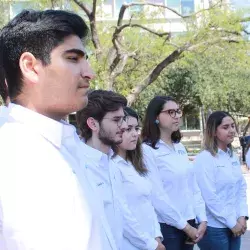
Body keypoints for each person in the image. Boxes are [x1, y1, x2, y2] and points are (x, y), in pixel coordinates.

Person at [0, 9, 107, 250]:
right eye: (72, 58)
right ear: (31, 66)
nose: (89, 73)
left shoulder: (65, 146)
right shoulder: (15, 156)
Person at [76, 90, 165, 250]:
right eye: (117, 120)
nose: (124, 126)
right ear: (93, 124)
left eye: (123, 119)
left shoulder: (111, 165)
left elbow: (123, 215)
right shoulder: (77, 166)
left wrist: (153, 241)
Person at [141, 96, 207, 250]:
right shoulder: (147, 150)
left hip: (190, 221)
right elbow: (157, 196)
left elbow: (193, 186)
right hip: (168, 227)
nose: (177, 116)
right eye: (170, 112)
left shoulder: (179, 147)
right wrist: (185, 227)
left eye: (178, 111)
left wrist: (202, 218)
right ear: (156, 117)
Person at [112, 107, 165, 250]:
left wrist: (156, 236)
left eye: (136, 128)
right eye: (128, 129)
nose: (135, 134)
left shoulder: (134, 164)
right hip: (130, 244)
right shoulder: (113, 166)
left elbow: (148, 204)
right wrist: (150, 244)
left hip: (152, 240)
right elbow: (124, 216)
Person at [194, 111, 248, 250]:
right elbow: (209, 197)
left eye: (232, 126)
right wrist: (231, 223)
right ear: (213, 132)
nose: (231, 130)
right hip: (215, 228)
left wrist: (242, 215)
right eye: (225, 127)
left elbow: (240, 188)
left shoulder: (232, 156)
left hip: (235, 224)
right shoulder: (205, 159)